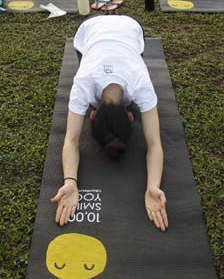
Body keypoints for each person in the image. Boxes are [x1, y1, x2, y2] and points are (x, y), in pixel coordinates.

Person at [51, 15, 168, 232]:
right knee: (84, 57)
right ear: (131, 116)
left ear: (92, 115)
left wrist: (154, 186)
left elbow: (72, 139)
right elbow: (154, 144)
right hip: (90, 30)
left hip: (130, 27)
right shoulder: (83, 80)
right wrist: (69, 182)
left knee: (129, 53)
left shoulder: (140, 81)